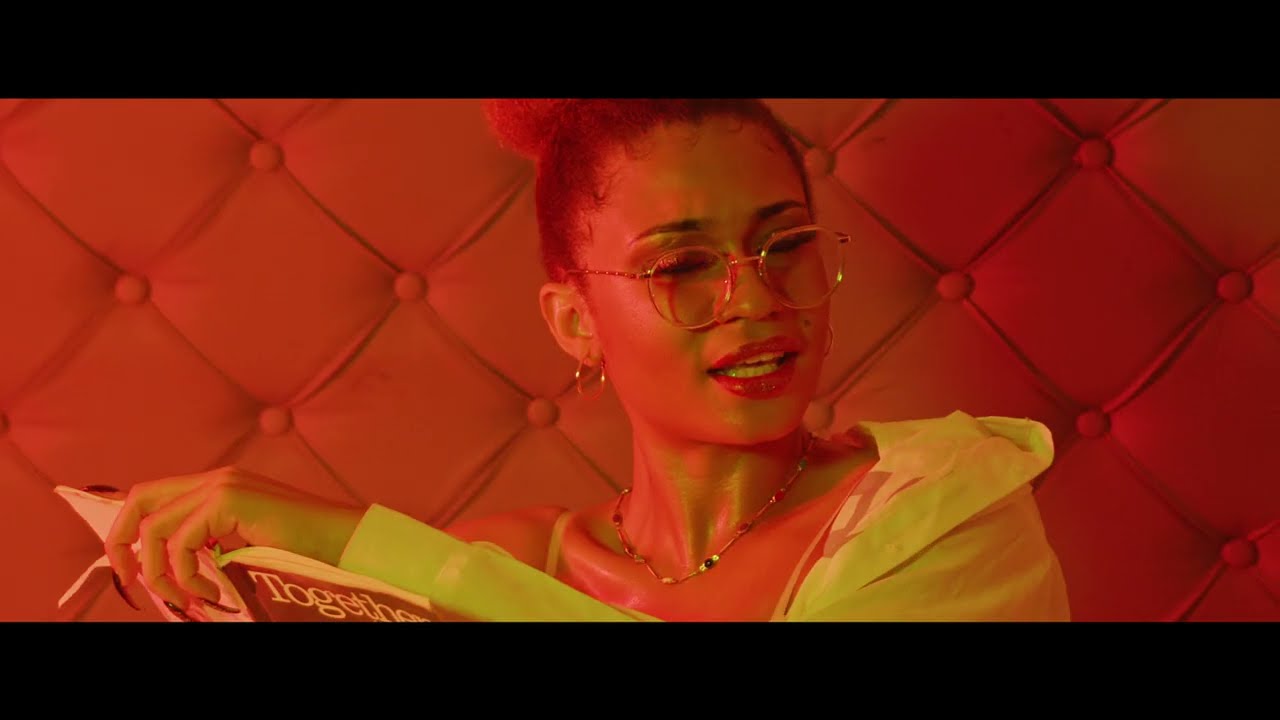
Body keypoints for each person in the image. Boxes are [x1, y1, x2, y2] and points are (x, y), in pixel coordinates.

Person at [104, 99, 1070, 622]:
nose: (754, 300)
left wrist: (357, 540)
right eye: (682, 265)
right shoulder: (490, 564)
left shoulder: (944, 506)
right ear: (574, 321)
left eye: (785, 245)